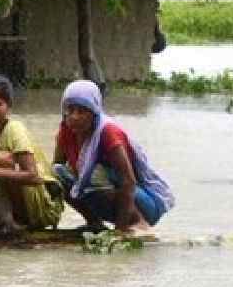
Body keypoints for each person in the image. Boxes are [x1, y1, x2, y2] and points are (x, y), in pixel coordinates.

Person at [53, 79, 174, 237]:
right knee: (56, 174)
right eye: (70, 110)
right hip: (105, 194)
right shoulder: (65, 132)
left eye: (82, 111)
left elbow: (128, 182)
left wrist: (119, 231)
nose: (75, 117)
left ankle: (137, 223)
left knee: (94, 174)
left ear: (94, 112)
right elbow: (57, 168)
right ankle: (94, 223)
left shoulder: (108, 133)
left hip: (140, 203)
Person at [0, 74, 63, 235]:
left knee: (3, 160)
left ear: (8, 106)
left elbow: (33, 176)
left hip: (39, 207)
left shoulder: (14, 130)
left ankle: (18, 222)